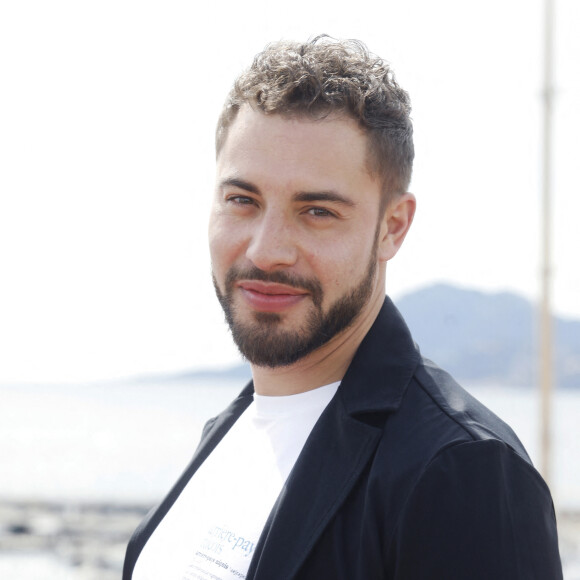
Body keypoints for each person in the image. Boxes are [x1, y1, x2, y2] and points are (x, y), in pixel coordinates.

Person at [123, 37, 563, 579]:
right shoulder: (230, 431)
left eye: (318, 211)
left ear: (392, 226)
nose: (266, 250)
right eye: (243, 200)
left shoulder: (461, 468)